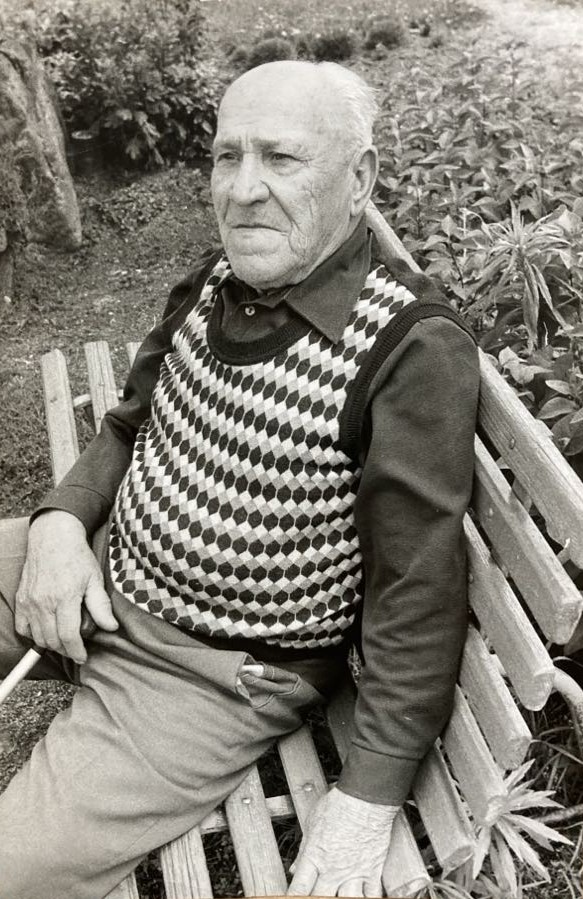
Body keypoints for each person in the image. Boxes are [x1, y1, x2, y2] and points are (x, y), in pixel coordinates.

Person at [0, 60, 480, 898]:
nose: (242, 189)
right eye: (228, 156)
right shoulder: (215, 280)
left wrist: (367, 795)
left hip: (203, 676)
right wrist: (61, 525)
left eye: (280, 158)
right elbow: (129, 422)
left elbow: (417, 584)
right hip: (103, 568)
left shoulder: (410, 349)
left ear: (358, 178)